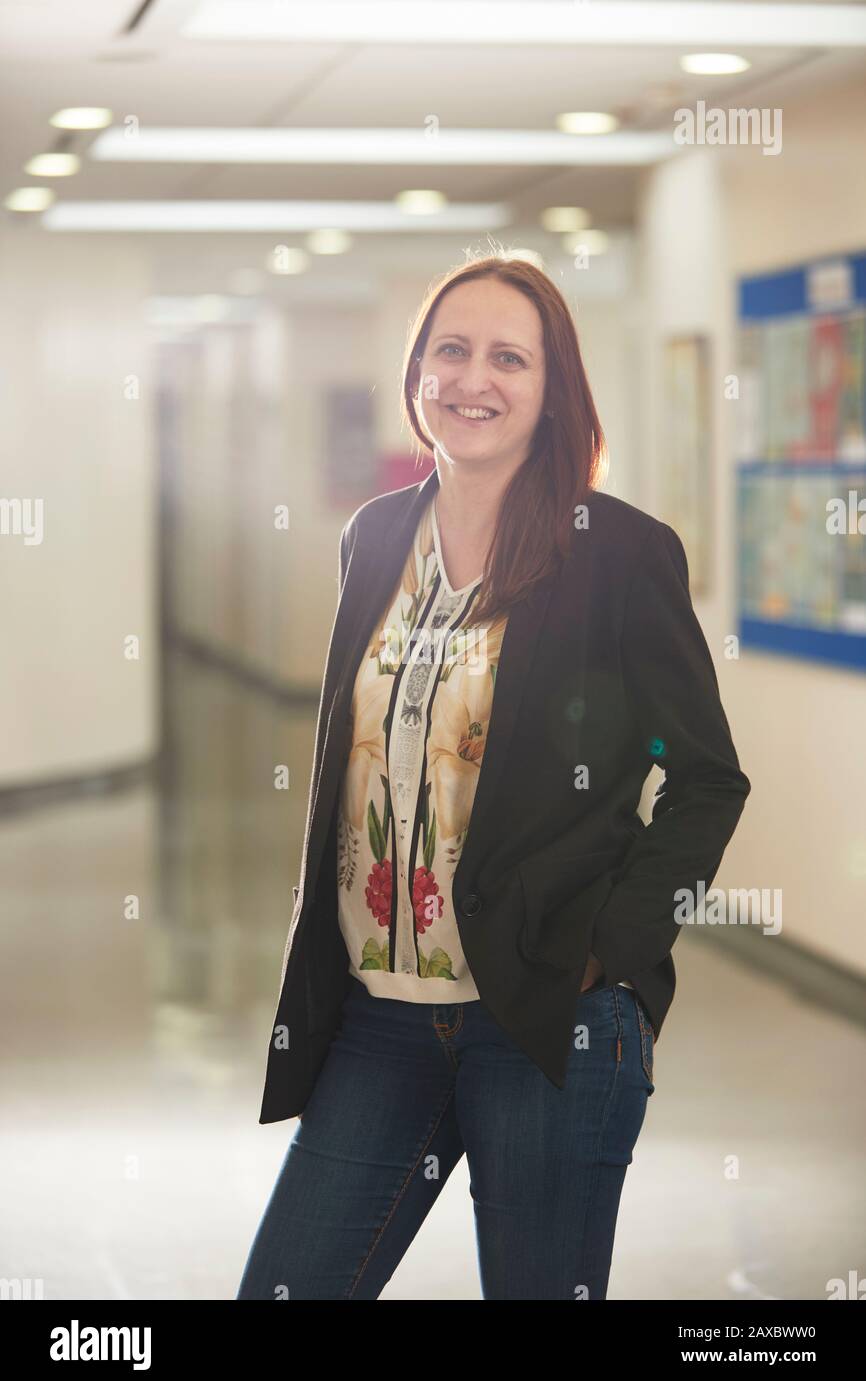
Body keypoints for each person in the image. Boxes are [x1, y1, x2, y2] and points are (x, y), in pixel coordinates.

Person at [236, 252, 751, 1300]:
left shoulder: (616, 553)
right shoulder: (374, 537)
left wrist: (613, 948)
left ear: (552, 389)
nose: (473, 379)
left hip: (543, 1018)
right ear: (416, 373)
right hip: (376, 1016)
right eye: (450, 351)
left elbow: (702, 777)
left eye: (508, 358)